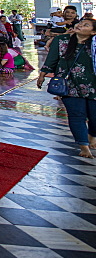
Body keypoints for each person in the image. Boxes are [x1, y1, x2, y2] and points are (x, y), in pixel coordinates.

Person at [37, 17, 96, 158]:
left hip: (93, 85)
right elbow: (52, 59)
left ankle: (92, 135)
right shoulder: (61, 40)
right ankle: (83, 146)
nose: (80, 25)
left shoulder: (94, 44)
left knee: (94, 117)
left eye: (86, 25)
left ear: (93, 32)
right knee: (76, 115)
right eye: (80, 23)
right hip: (69, 85)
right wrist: (42, 75)